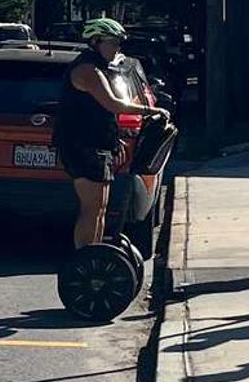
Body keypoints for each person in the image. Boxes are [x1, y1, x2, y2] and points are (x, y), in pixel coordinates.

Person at [55, 17, 169, 250]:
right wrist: (151, 110)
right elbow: (114, 104)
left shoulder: (99, 68)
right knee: (91, 208)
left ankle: (94, 254)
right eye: (113, 42)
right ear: (96, 41)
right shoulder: (87, 70)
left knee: (100, 207)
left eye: (119, 43)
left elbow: (99, 113)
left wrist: (112, 138)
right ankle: (84, 257)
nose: (117, 48)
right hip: (82, 146)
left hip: (98, 144)